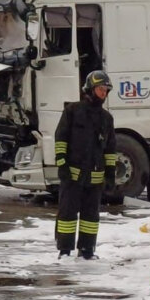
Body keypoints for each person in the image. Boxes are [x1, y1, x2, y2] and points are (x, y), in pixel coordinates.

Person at [54, 70, 117, 260]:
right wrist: (62, 164)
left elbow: (110, 148)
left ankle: (87, 250)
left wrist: (111, 173)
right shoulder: (73, 111)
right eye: (100, 89)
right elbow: (61, 138)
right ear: (90, 89)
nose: (104, 93)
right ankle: (65, 250)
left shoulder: (107, 118)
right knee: (67, 214)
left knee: (91, 218)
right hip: (72, 175)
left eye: (106, 90)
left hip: (95, 178)